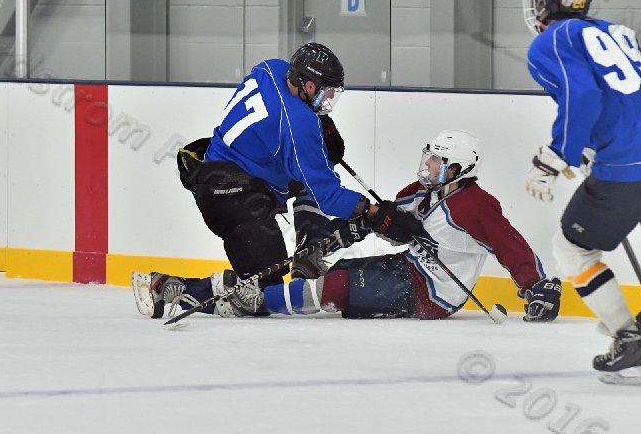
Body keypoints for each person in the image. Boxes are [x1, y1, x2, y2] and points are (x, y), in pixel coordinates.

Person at [132, 42, 421, 318]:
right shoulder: (299, 125)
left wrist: (321, 129)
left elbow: (282, 118)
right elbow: (328, 196)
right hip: (231, 199)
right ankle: (168, 287)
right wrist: (373, 214)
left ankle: (309, 250)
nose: (330, 99)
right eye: (326, 92)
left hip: (222, 167)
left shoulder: (272, 68)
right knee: (261, 293)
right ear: (308, 85)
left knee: (314, 172)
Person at [233, 130, 560, 322]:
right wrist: (346, 234)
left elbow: (508, 244)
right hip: (407, 268)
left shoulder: (475, 205)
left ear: (457, 168)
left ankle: (259, 300)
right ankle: (268, 295)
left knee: (339, 288)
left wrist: (536, 286)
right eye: (429, 157)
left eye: (437, 161)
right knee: (340, 269)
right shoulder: (420, 193)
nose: (428, 165)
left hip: (431, 295)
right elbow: (383, 218)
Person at [523, 0, 641, 385]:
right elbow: (634, 96)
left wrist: (555, 158)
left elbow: (582, 97)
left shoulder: (550, 40)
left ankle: (631, 341)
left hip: (628, 161)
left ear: (544, 2)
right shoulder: (616, 32)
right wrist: (590, 145)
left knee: (572, 249)